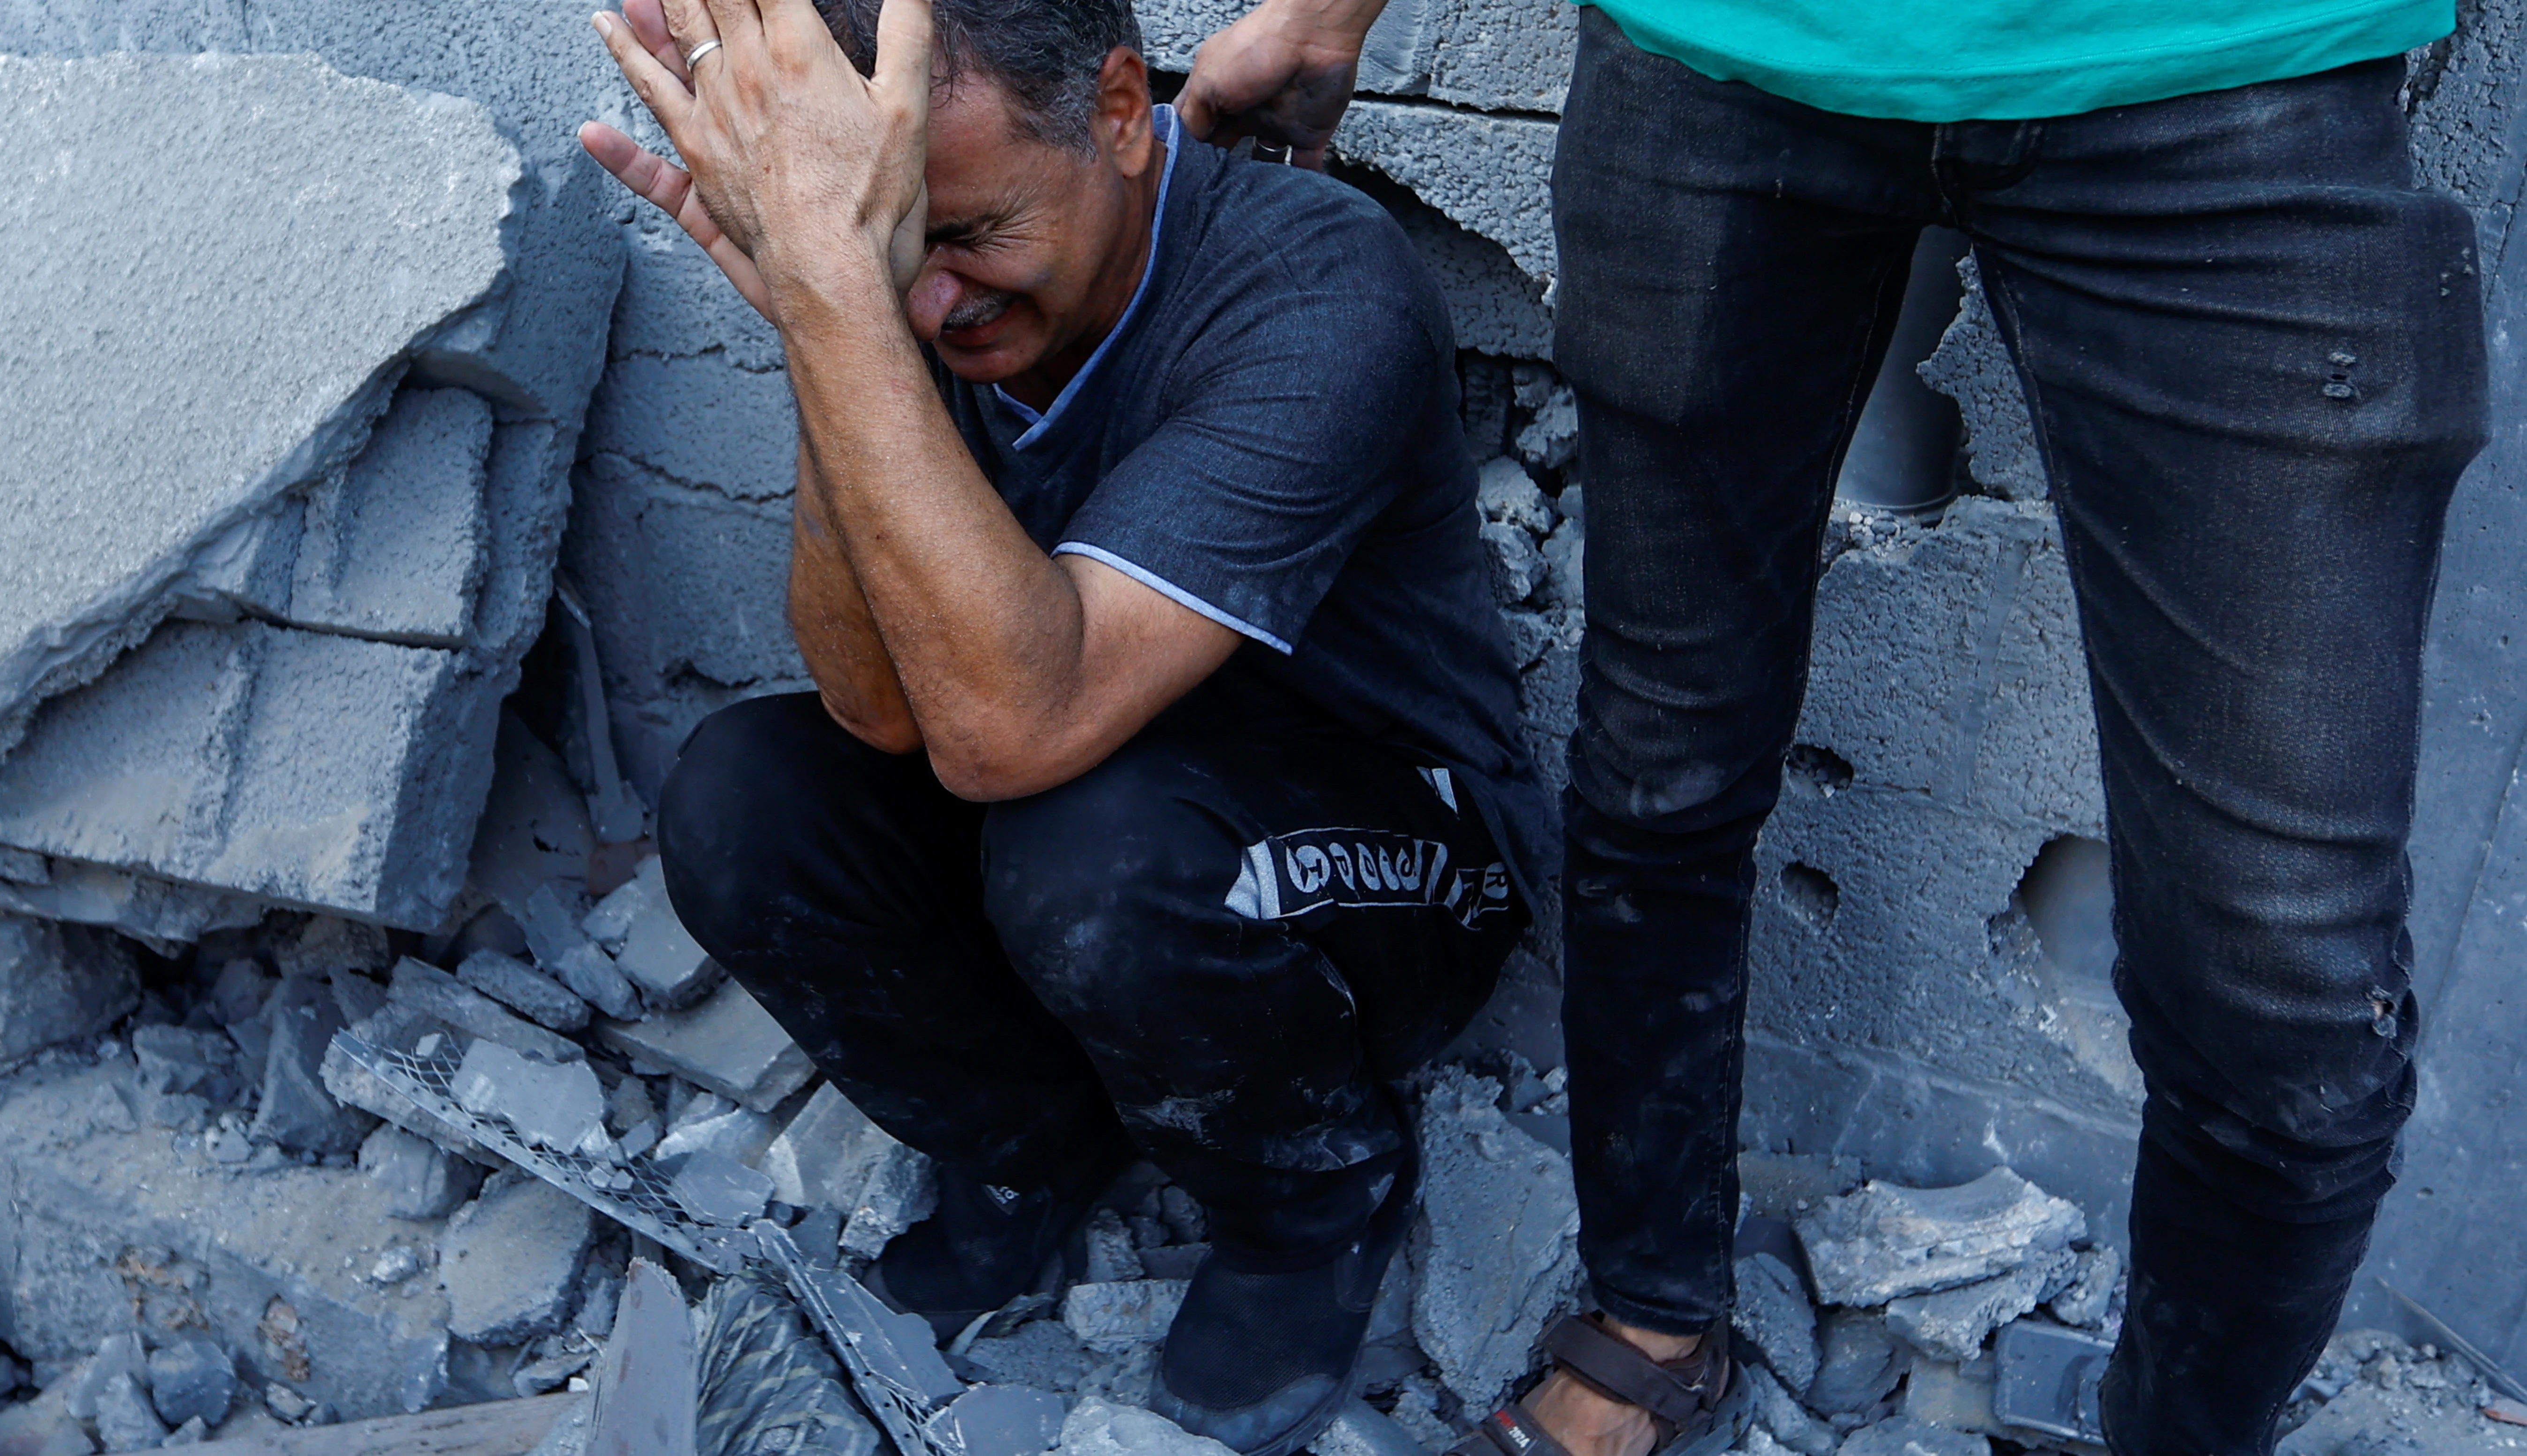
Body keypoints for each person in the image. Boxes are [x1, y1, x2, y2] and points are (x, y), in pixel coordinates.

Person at [1178, 0, 2489, 1451]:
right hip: (1726, 55)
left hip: (2235, 68)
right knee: (1659, 773)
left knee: (2286, 999)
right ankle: (1653, 1315)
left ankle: (2176, 1429)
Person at [580, 0, 1557, 1451]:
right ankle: (1037, 1148)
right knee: (741, 796)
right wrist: (824, 311)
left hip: (1385, 861)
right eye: (890, 252)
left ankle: (1310, 1195)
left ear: (1116, 109)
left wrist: (843, 292)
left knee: (1086, 844)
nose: (930, 302)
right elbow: (874, 708)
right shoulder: (908, 299)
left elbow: (1001, 737)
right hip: (1090, 803)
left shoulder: (1314, 286)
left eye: (965, 233)